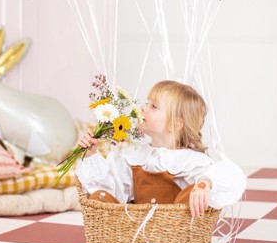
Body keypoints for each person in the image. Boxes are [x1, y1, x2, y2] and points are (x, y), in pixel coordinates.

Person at [76, 80, 246, 218]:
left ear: (175, 124)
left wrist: (205, 183)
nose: (143, 108)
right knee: (99, 197)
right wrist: (91, 155)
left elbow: (233, 177)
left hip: (174, 234)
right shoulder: (135, 154)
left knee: (193, 192)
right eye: (146, 103)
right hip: (135, 231)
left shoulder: (189, 160)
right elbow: (115, 191)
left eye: (154, 106)